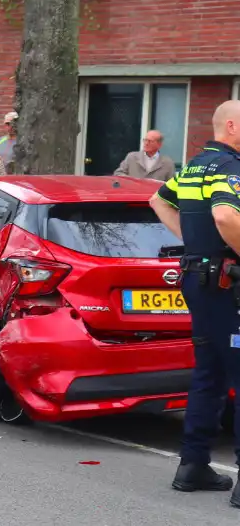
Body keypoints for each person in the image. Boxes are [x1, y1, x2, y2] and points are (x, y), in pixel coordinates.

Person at [149, 99, 240, 505]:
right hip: (228, 284)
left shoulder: (194, 165)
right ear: (233, 126)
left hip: (197, 280)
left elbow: (158, 201)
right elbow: (225, 216)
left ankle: (193, 465)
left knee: (210, 372)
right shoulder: (231, 167)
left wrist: (194, 244)